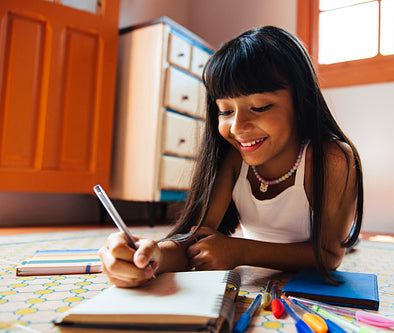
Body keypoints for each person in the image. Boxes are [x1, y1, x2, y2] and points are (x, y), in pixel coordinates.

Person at [99, 26, 363, 288]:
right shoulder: (234, 158)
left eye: (259, 107)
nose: (237, 127)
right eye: (225, 111)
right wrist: (152, 255)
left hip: (314, 250)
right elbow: (197, 238)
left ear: (300, 103)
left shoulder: (332, 159)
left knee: (350, 243)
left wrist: (240, 251)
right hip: (242, 250)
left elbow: (329, 256)